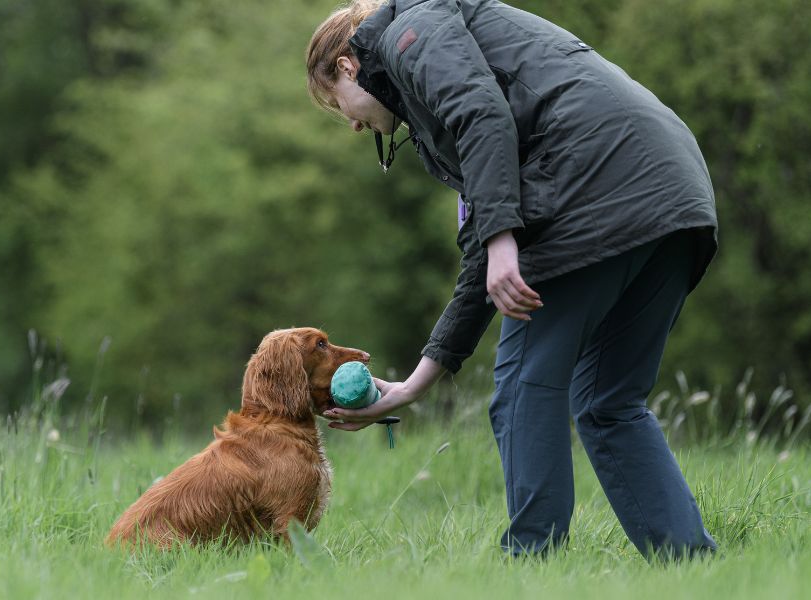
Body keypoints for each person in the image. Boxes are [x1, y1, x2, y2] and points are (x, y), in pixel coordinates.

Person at [307, 0, 718, 560]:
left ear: (349, 65)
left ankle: (531, 564)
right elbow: (481, 253)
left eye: (339, 105)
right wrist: (413, 386)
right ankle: (690, 566)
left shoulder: (411, 30)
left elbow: (481, 113)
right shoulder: (434, 75)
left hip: (597, 184)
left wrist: (504, 239)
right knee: (607, 401)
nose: (353, 123)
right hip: (673, 193)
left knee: (524, 388)